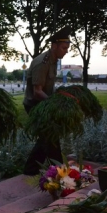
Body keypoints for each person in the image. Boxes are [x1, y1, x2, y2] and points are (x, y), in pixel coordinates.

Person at [22, 26, 71, 176]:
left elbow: (47, 88)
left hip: (44, 104)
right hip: (35, 105)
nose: (66, 51)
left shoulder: (53, 60)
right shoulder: (42, 63)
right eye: (64, 47)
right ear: (54, 46)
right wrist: (55, 104)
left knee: (46, 138)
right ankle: (60, 172)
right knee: (51, 137)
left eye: (67, 48)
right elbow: (37, 92)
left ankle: (31, 170)